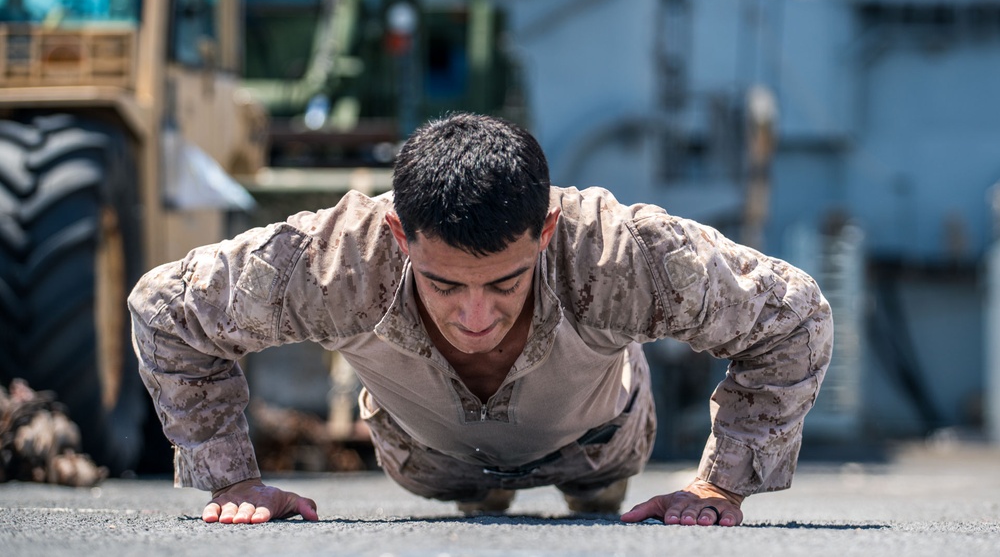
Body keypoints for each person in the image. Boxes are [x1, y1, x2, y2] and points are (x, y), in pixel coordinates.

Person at [128, 113, 832, 527]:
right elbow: (165, 308)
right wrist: (230, 480)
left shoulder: (616, 252)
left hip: (601, 443)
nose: (474, 316)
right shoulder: (336, 260)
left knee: (598, 496)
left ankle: (588, 484)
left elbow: (795, 316)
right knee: (471, 495)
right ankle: (486, 483)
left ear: (548, 230)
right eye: (443, 284)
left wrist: (721, 485)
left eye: (504, 283)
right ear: (401, 238)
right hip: (432, 464)